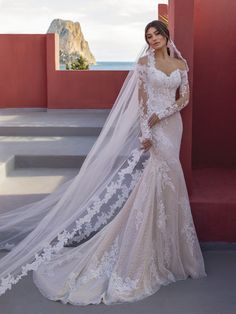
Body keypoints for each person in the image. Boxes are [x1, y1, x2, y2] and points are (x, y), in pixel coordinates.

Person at [0, 20, 207, 304]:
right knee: (154, 180)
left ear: (166, 34)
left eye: (156, 33)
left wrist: (164, 114)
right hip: (155, 129)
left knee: (172, 180)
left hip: (172, 126)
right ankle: (144, 250)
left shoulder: (181, 65)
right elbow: (143, 102)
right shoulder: (144, 63)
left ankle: (171, 253)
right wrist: (147, 130)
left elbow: (184, 98)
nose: (153, 39)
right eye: (148, 36)